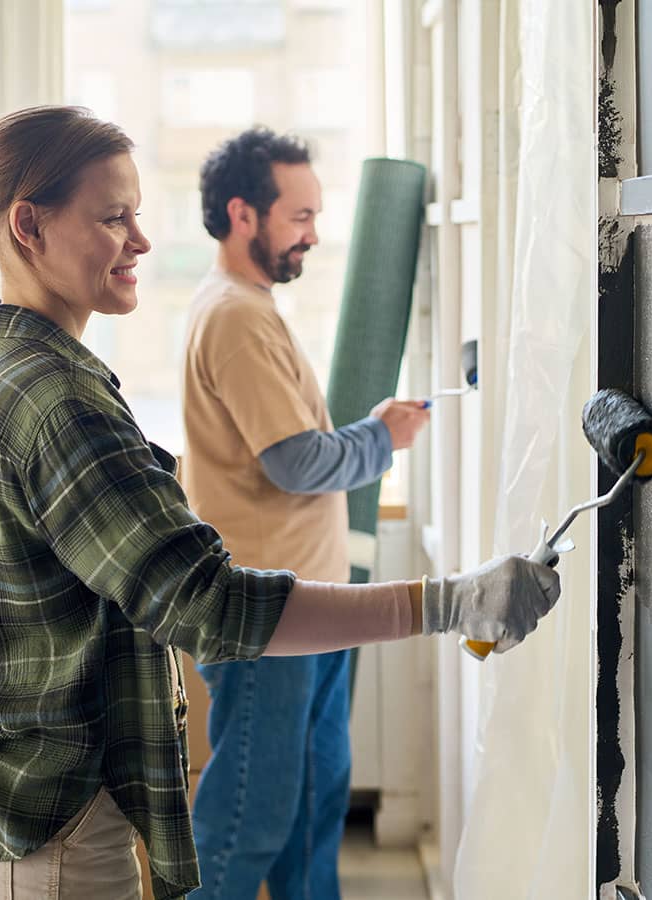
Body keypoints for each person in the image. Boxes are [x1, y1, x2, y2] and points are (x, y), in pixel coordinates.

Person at [0, 105, 560, 900]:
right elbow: (210, 602)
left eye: (137, 214)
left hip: (6, 802)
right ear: (29, 227)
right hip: (41, 840)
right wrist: (453, 602)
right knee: (247, 825)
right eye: (114, 218)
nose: (141, 241)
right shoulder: (59, 400)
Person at [180, 127, 431, 900]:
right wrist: (380, 439)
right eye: (299, 217)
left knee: (314, 801)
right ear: (242, 214)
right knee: (250, 819)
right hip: (265, 615)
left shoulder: (248, 306)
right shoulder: (235, 317)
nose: (314, 237)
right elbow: (293, 463)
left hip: (307, 605)